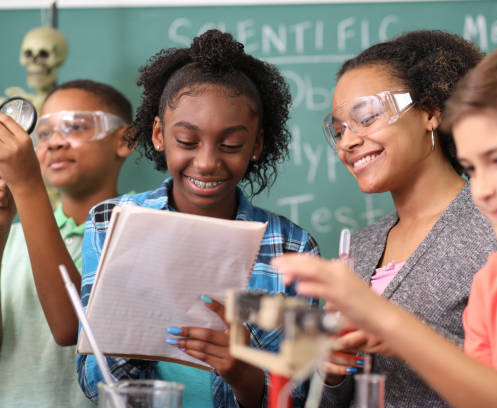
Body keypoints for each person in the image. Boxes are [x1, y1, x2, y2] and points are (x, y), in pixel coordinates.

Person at [273, 37, 497, 407]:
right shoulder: (496, 276)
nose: (481, 189)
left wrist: (391, 325)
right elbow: (483, 393)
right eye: (472, 168)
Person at [76, 30, 320, 408]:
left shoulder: (294, 248)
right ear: (158, 134)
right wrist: (135, 327)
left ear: (256, 146)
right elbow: (94, 380)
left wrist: (244, 373)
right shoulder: (111, 221)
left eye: (231, 145)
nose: (206, 162)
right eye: (188, 142)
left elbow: (303, 391)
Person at [299, 30, 497, 407]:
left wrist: (404, 337)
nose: (347, 142)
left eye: (366, 118)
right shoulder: (359, 249)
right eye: (340, 130)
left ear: (430, 112)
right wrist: (330, 372)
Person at [0, 79, 134, 407]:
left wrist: (27, 184)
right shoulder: (14, 239)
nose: (54, 143)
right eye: (43, 133)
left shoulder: (140, 228)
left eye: (75, 127)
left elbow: (72, 330)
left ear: (125, 139)